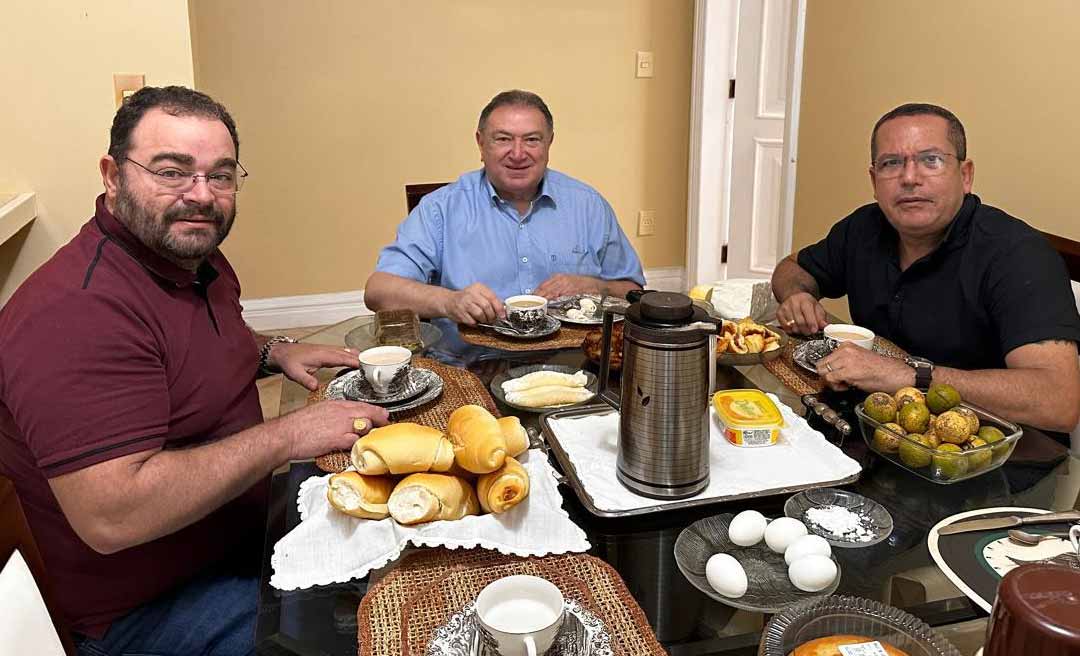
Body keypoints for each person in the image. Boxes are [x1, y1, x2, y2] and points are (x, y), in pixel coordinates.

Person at [0, 86, 389, 655]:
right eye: (172, 171)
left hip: (246, 539)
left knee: (415, 554)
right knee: (376, 636)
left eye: (221, 175)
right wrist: (288, 436)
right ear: (113, 175)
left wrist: (270, 351)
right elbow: (113, 516)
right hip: (151, 610)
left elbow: (181, 352)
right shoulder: (75, 311)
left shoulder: (192, 257)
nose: (201, 196)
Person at [771, 103, 1080, 434]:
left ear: (965, 176)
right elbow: (791, 269)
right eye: (891, 163)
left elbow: (1057, 401)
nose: (909, 178)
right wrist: (796, 293)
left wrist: (909, 376)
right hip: (885, 433)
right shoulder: (864, 227)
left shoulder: (1018, 254)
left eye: (930, 161)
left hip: (997, 457)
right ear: (875, 181)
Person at [364, 89, 645, 327]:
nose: (518, 153)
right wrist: (450, 302)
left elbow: (633, 292)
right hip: (470, 369)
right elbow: (378, 291)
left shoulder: (588, 205)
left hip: (570, 368)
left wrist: (594, 287)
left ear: (549, 143)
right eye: (503, 138)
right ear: (481, 143)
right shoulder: (441, 209)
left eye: (532, 139)